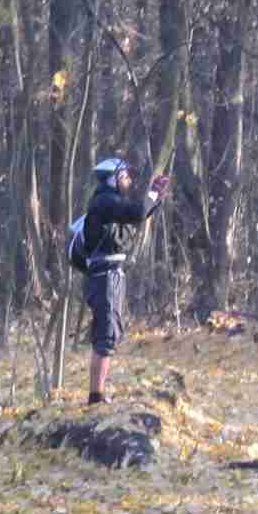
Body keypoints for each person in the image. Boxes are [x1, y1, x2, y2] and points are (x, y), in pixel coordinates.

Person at [83, 157, 170, 405]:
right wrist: (152, 193)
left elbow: (139, 214)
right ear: (114, 178)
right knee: (106, 335)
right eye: (125, 177)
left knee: (108, 334)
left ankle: (97, 395)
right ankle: (96, 397)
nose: (129, 181)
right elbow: (138, 212)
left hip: (109, 274)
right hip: (106, 275)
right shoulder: (106, 200)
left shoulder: (107, 201)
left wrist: (156, 197)